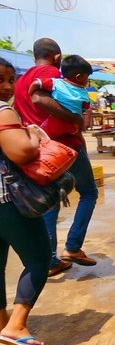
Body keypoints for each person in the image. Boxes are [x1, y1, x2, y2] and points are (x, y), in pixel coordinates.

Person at [13, 38, 98, 277]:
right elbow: (40, 99)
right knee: (89, 192)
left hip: (39, 146)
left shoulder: (20, 81)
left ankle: (49, 259)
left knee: (51, 201)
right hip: (65, 146)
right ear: (58, 58)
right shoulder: (53, 73)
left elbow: (28, 107)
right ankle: (72, 247)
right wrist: (76, 120)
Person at [0, 58, 51, 345]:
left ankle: (1, 322)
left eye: (11, 80)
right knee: (39, 258)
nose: (7, 87)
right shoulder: (3, 111)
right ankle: (16, 324)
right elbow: (22, 152)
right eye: (0, 80)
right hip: (7, 200)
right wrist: (31, 134)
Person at [27, 54, 93, 140]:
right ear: (79, 77)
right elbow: (85, 108)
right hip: (72, 126)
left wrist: (30, 92)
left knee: (43, 137)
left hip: (54, 121)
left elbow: (36, 83)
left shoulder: (55, 83)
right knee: (77, 137)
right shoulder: (84, 93)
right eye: (87, 77)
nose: (87, 80)